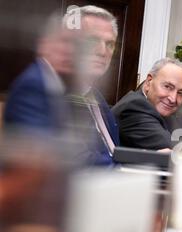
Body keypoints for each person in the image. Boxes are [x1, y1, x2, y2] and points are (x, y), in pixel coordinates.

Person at [4, 5, 119, 165]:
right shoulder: (41, 87)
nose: (102, 51)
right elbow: (73, 160)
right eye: (91, 40)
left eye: (110, 44)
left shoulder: (95, 96)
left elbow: (114, 152)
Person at [112, 58, 182, 152]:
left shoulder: (166, 113)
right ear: (149, 82)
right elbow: (179, 149)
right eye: (167, 87)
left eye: (181, 93)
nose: (173, 99)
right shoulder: (135, 107)